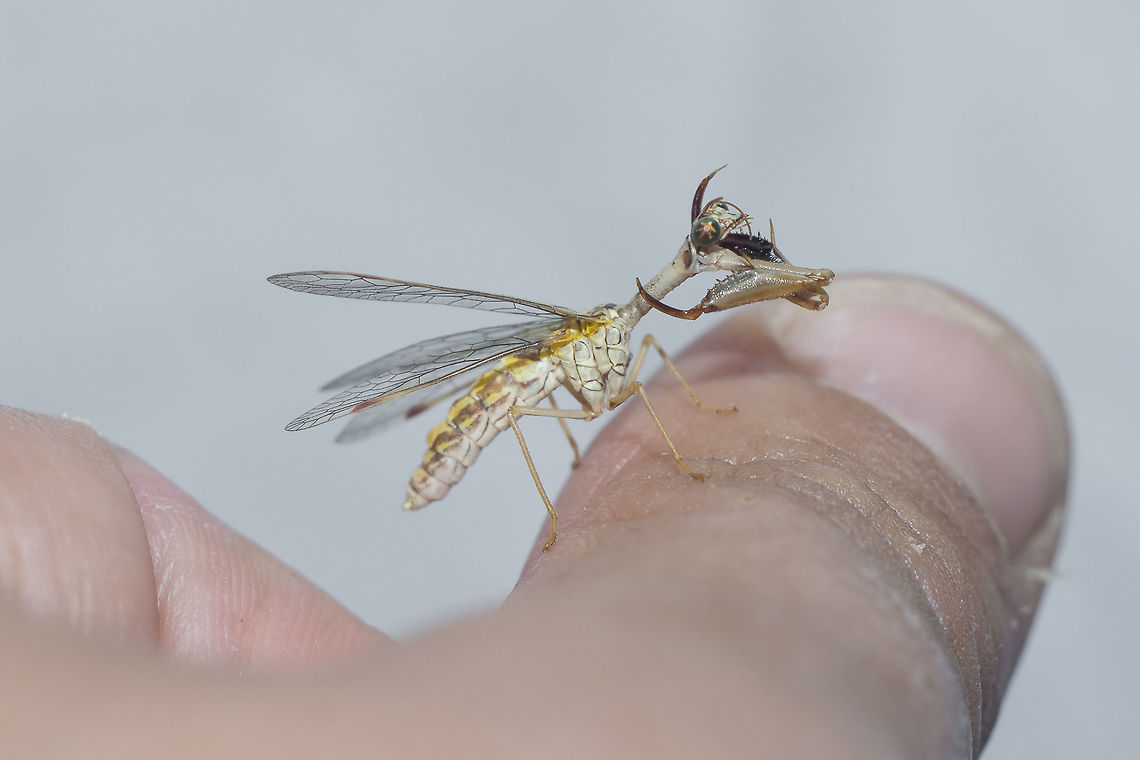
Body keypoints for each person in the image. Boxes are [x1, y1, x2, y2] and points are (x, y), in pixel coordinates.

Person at [0, 276, 1067, 758]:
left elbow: (661, 336)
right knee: (535, 406)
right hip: (483, 403)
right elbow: (545, 401)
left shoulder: (642, 328)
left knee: (635, 372)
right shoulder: (598, 338)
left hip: (586, 356)